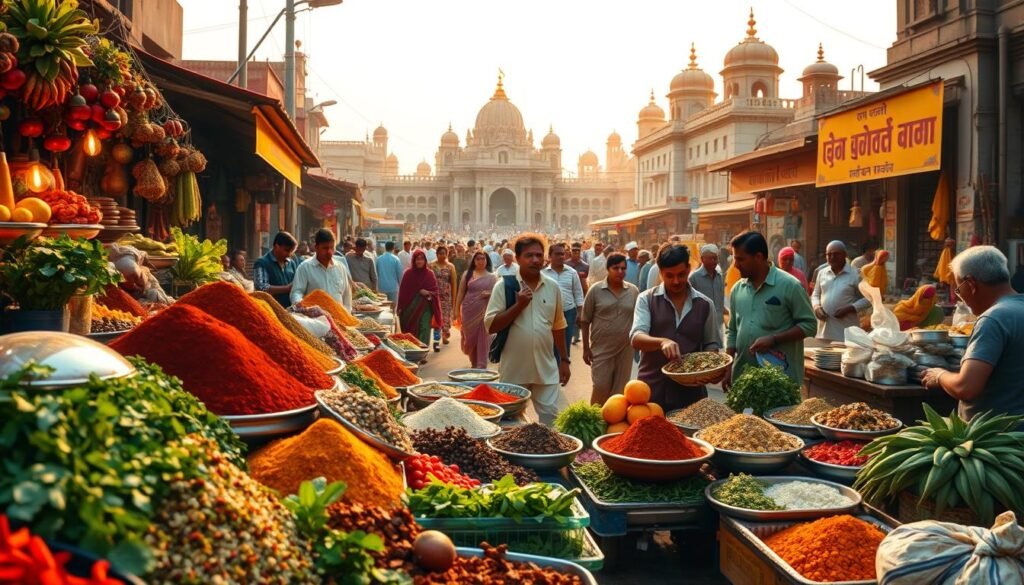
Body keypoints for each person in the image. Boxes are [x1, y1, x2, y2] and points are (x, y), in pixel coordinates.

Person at [921, 246, 1024, 420]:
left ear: (971, 284)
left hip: (997, 439)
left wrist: (939, 375)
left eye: (959, 290)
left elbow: (966, 387)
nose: (961, 298)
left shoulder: (993, 319)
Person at [485, 233, 571, 425]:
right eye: (529, 255)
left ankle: (547, 455)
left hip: (545, 368)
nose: (535, 260)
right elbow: (491, 325)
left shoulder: (552, 287)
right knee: (511, 424)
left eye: (539, 255)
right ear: (518, 259)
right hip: (514, 370)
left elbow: (558, 326)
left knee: (551, 421)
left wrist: (564, 360)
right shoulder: (504, 287)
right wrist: (518, 306)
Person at [631, 244, 722, 410]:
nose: (676, 281)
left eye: (681, 275)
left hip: (692, 396)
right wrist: (662, 342)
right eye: (669, 276)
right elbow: (636, 338)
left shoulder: (705, 304)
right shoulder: (646, 299)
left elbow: (712, 345)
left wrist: (710, 371)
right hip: (651, 391)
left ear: (689, 269)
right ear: (660, 272)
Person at [724, 232, 816, 389]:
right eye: (734, 259)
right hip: (744, 381)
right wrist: (727, 365)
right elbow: (732, 331)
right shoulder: (737, 289)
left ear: (758, 257)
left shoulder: (790, 285)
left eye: (740, 259)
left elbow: (810, 325)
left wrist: (774, 339)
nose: (735, 265)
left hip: (780, 383)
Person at [582, 253, 640, 404]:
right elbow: (585, 320)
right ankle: (594, 421)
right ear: (608, 269)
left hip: (625, 349)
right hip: (601, 349)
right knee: (600, 386)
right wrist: (586, 348)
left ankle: (612, 425)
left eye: (623, 268)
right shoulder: (595, 290)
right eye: (616, 268)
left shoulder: (633, 291)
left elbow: (639, 319)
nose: (620, 271)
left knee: (619, 392)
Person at [811, 240, 870, 341]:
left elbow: (869, 298)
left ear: (845, 255)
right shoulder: (822, 273)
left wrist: (850, 308)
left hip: (846, 333)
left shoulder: (855, 274)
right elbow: (815, 295)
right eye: (829, 255)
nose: (832, 257)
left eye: (836, 254)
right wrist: (817, 307)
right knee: (825, 356)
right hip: (824, 332)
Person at [290, 229, 354, 309]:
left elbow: (347, 297)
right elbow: (296, 292)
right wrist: (299, 303)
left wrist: (347, 315)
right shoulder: (304, 268)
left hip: (339, 320)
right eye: (325, 248)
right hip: (315, 319)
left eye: (332, 248)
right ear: (316, 247)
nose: (329, 252)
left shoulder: (341, 268)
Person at [542, 242, 585, 359]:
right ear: (550, 256)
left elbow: (578, 294)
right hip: (548, 314)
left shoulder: (571, 273)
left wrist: (580, 313)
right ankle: (552, 373)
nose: (561, 256)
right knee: (550, 346)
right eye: (557, 254)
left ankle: (563, 371)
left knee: (565, 346)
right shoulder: (543, 274)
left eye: (562, 254)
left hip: (568, 313)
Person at [456, 250, 497, 369]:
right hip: (468, 310)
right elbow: (461, 292)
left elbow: (497, 294)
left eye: (483, 259)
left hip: (485, 312)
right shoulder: (467, 274)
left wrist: (489, 293)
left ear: (487, 260)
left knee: (483, 336)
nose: (480, 261)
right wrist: (456, 310)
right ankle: (474, 362)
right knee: (469, 340)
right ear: (474, 261)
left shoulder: (492, 277)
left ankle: (481, 365)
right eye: (478, 259)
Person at [398, 250, 443, 350]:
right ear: (414, 260)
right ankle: (412, 350)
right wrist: (400, 307)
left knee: (424, 328)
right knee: (410, 330)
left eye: (422, 259)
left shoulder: (429, 274)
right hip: (409, 308)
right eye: (417, 259)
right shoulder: (408, 274)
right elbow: (402, 292)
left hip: (425, 307)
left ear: (425, 260)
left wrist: (427, 292)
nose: (419, 262)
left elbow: (435, 292)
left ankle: (422, 352)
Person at [254, 231, 299, 307]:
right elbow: (262, 288)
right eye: (287, 250)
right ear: (276, 246)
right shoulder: (262, 263)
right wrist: (287, 288)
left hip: (289, 310)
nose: (289, 254)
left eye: (292, 251)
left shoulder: (291, 263)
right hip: (270, 309)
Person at [689, 244, 727, 328]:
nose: (714, 261)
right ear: (702, 259)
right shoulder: (694, 278)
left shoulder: (719, 276)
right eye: (710, 259)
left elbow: (720, 299)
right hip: (702, 324)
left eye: (715, 258)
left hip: (718, 323)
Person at [429, 245, 458, 350]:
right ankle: (436, 340)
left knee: (445, 318)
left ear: (447, 254)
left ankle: (445, 337)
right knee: (437, 318)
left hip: (446, 297)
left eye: (444, 253)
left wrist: (454, 300)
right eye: (440, 253)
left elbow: (454, 283)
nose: (442, 255)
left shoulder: (451, 267)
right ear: (437, 254)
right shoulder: (431, 266)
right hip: (434, 296)